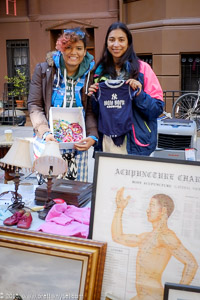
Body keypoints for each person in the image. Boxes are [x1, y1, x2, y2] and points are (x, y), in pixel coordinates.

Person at [28, 27, 98, 182]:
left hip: (77, 145)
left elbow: (91, 110)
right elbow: (34, 105)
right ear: (61, 48)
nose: (74, 52)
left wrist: (92, 136)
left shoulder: (90, 74)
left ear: (85, 50)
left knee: (76, 194)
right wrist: (44, 132)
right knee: (49, 193)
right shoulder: (44, 70)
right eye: (68, 48)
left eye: (79, 48)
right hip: (48, 143)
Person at [88, 22, 164, 156]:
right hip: (107, 143)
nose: (116, 44)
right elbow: (97, 112)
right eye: (111, 40)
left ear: (128, 43)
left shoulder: (143, 69)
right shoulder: (99, 72)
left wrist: (140, 95)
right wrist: (94, 97)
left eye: (121, 40)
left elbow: (157, 109)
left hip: (134, 143)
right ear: (106, 43)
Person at [111, 187, 198, 300]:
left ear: (163, 211)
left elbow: (192, 264)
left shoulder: (167, 236)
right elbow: (118, 237)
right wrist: (119, 209)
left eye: (152, 206)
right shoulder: (146, 236)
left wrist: (177, 295)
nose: (147, 210)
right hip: (141, 296)